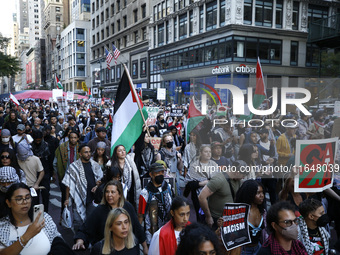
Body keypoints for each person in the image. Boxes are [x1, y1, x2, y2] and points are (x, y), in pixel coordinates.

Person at [73, 180, 148, 254]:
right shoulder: (99, 211)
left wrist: (145, 247)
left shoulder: (128, 207)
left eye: (113, 192)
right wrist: (80, 241)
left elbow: (137, 228)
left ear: (120, 194)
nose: (109, 195)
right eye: (107, 192)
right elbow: (86, 228)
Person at [0, 183, 61, 254]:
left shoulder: (44, 218)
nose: (25, 202)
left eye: (28, 197)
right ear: (8, 203)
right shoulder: (2, 227)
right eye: (19, 199)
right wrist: (27, 235)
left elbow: (58, 242)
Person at [62, 144, 103, 231]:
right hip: (78, 197)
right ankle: (79, 241)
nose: (88, 154)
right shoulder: (73, 167)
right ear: (80, 154)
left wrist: (97, 185)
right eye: (85, 152)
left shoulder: (95, 165)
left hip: (92, 198)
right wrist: (67, 199)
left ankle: (89, 242)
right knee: (79, 222)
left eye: (89, 152)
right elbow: (68, 184)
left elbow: (100, 179)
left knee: (92, 221)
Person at [198, 160, 248, 229]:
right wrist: (208, 217)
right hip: (215, 219)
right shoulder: (218, 179)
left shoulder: (238, 180)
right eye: (243, 176)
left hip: (228, 219)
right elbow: (201, 197)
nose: (243, 178)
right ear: (237, 173)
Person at [138, 163, 174, 244]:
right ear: (151, 174)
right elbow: (140, 215)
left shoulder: (168, 188)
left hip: (168, 230)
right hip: (151, 235)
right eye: (157, 172)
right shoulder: (145, 193)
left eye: (162, 172)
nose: (160, 174)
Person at [235, 180, 266, 255]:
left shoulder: (263, 212)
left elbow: (265, 234)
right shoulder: (238, 213)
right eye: (258, 193)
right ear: (249, 194)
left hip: (258, 249)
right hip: (243, 251)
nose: (262, 195)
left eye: (262, 192)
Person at [53, 131, 80, 213]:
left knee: (77, 198)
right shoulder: (62, 148)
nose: (73, 139)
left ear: (78, 138)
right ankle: (63, 216)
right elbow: (55, 163)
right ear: (68, 138)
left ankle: (76, 218)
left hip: (77, 177)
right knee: (65, 198)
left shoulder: (81, 148)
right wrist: (59, 173)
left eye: (75, 137)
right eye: (71, 137)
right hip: (65, 177)